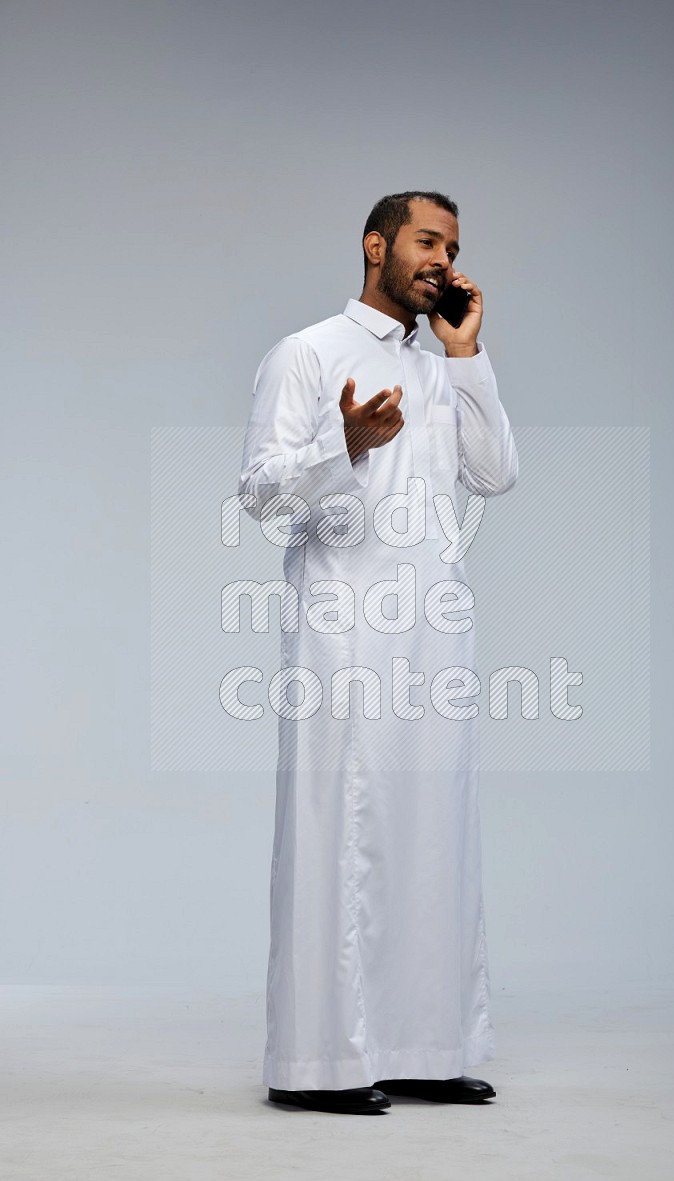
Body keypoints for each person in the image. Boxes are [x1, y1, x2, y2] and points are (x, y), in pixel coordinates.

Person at [238, 191, 518, 1114]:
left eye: (454, 247)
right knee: (337, 836)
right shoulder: (308, 353)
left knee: (433, 834)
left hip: (434, 633)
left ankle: (426, 1047)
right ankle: (317, 1065)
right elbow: (264, 495)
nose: (442, 259)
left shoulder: (441, 367)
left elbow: (494, 474)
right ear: (376, 245)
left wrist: (466, 351)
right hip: (344, 628)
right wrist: (344, 443)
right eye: (426, 240)